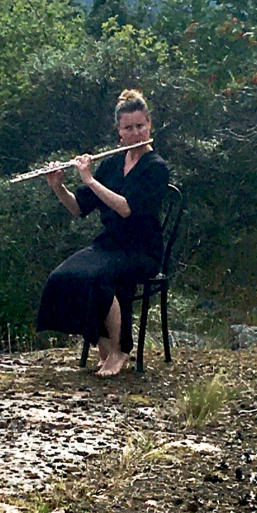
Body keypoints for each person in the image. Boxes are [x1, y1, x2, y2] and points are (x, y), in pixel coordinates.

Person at [35, 90, 170, 377]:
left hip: (141, 249)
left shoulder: (156, 168)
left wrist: (88, 178)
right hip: (109, 245)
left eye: (140, 126)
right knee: (63, 277)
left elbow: (125, 209)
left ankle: (120, 350)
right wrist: (57, 185)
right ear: (119, 133)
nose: (135, 133)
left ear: (149, 125)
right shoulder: (112, 164)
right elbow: (77, 207)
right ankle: (102, 341)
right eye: (128, 128)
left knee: (98, 278)